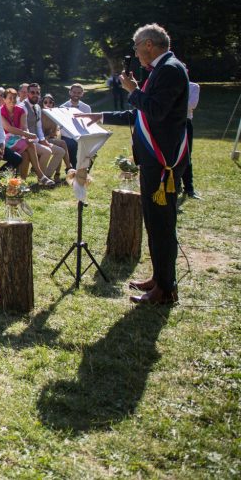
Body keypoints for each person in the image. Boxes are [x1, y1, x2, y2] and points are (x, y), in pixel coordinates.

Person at [80, 24, 189, 305]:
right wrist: (101, 116)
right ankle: (161, 278)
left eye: (138, 47)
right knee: (155, 223)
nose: (137, 54)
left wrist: (132, 90)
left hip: (162, 162)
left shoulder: (170, 69)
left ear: (149, 45)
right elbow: (141, 114)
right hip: (154, 161)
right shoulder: (162, 69)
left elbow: (155, 110)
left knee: (161, 224)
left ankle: (165, 289)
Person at [0, 88, 55, 186]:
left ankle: (22, 183)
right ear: (4, 99)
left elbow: (24, 127)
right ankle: (40, 174)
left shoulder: (21, 111)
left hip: (19, 139)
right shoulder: (0, 111)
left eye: (14, 98)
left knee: (25, 155)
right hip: (5, 140)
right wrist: (27, 135)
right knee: (30, 143)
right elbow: (9, 129)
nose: (12, 100)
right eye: (10, 98)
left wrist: (26, 135)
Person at [22, 83, 66, 181]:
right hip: (25, 140)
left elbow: (38, 128)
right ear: (27, 94)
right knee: (47, 151)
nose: (35, 95)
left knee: (60, 151)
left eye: (37, 92)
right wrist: (38, 140)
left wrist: (42, 140)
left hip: (36, 140)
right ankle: (41, 178)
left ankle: (47, 176)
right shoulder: (22, 107)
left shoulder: (37, 107)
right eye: (32, 92)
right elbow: (24, 129)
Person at [40, 94, 73, 176]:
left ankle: (60, 172)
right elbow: (40, 133)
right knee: (62, 145)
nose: (48, 104)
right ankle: (67, 168)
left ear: (53, 104)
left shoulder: (54, 114)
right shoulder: (40, 114)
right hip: (40, 140)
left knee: (62, 144)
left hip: (48, 138)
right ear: (42, 103)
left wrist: (51, 135)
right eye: (45, 102)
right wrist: (49, 135)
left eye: (50, 102)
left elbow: (55, 133)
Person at [182, 79, 200, 200]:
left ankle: (189, 188)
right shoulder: (167, 86)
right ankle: (175, 185)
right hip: (169, 124)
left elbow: (192, 104)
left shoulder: (193, 87)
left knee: (187, 156)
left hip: (185, 123)